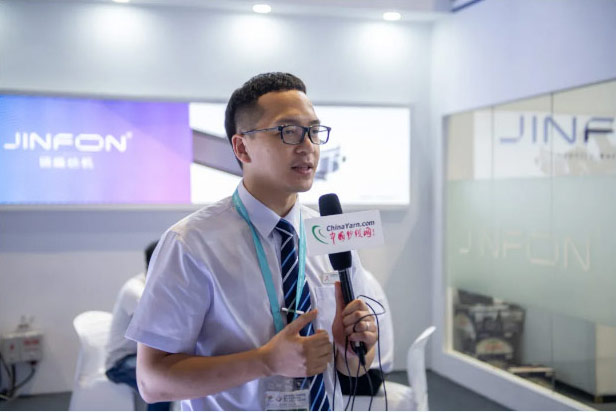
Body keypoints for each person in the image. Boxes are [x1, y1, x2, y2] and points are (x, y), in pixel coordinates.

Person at [126, 72, 384, 410]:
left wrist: (352, 350)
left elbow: (353, 367)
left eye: (313, 131)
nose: (307, 145)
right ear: (241, 147)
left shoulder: (330, 233)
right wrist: (266, 361)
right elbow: (152, 382)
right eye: (288, 131)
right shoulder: (191, 244)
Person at [105, 241, 170, 411]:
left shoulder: (160, 287)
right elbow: (163, 326)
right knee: (161, 380)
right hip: (120, 363)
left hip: (147, 356)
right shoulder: (136, 290)